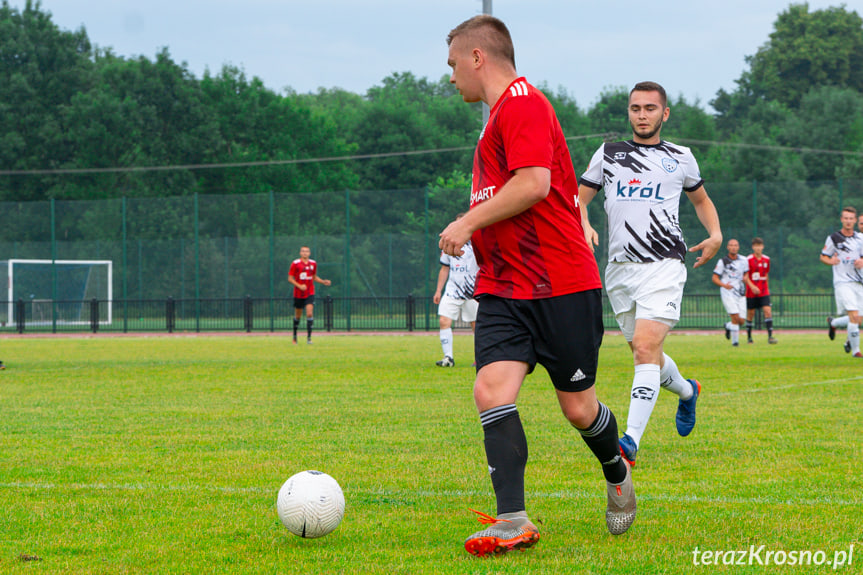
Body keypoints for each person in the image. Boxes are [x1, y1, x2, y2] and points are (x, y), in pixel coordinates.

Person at [440, 15, 635, 557]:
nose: (451, 75)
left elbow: (534, 183)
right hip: (504, 287)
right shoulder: (496, 116)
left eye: (454, 63)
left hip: (560, 285)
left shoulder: (524, 103)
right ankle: (512, 521)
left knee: (578, 408)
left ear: (478, 57)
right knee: (490, 391)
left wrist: (466, 223)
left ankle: (616, 469)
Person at [579, 81, 722, 469]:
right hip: (619, 270)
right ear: (629, 112)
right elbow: (580, 197)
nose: (642, 115)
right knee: (647, 355)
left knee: (645, 348)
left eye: (650, 109)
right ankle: (687, 391)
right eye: (635, 108)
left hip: (664, 265)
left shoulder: (681, 157)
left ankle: (630, 441)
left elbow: (701, 200)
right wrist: (583, 223)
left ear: (664, 114)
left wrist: (715, 234)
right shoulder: (608, 154)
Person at [432, 216, 479, 367]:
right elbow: (444, 268)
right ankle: (448, 358)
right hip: (452, 290)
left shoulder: (476, 245)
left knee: (476, 325)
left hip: (472, 290)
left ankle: (481, 358)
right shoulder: (449, 244)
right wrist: (438, 290)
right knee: (444, 320)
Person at [822, 207, 863, 358]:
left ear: (855, 220)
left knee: (858, 318)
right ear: (841, 219)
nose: (848, 221)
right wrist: (830, 261)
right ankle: (856, 351)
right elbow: (823, 256)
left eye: (851, 218)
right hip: (843, 282)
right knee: (853, 314)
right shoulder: (833, 238)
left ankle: (833, 323)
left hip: (859, 282)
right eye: (845, 218)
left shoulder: (860, 238)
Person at [287, 246, 331, 344]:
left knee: (309, 313)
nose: (305, 253)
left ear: (309, 253)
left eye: (307, 251)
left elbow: (314, 277)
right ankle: (295, 336)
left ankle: (309, 338)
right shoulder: (295, 263)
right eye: (303, 251)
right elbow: (290, 278)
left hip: (309, 292)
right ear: (300, 253)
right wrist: (299, 286)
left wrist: (323, 281)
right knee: (297, 316)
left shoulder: (313, 263)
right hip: (298, 293)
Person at [712, 239, 749, 346]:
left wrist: (745, 278)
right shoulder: (722, 261)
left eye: (735, 245)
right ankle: (735, 343)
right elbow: (715, 278)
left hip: (740, 292)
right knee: (735, 317)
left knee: (741, 321)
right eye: (731, 245)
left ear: (738, 247)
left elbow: (746, 273)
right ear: (728, 247)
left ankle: (728, 326)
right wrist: (724, 285)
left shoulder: (743, 260)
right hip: (727, 292)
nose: (733, 247)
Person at [744, 238, 776, 344]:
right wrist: (752, 286)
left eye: (760, 245)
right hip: (751, 292)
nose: (758, 248)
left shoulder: (766, 259)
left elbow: (766, 274)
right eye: (756, 246)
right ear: (753, 247)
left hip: (763, 291)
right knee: (750, 314)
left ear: (763, 247)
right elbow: (745, 276)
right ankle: (749, 337)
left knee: (767, 311)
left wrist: (766, 288)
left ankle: (770, 337)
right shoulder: (748, 259)